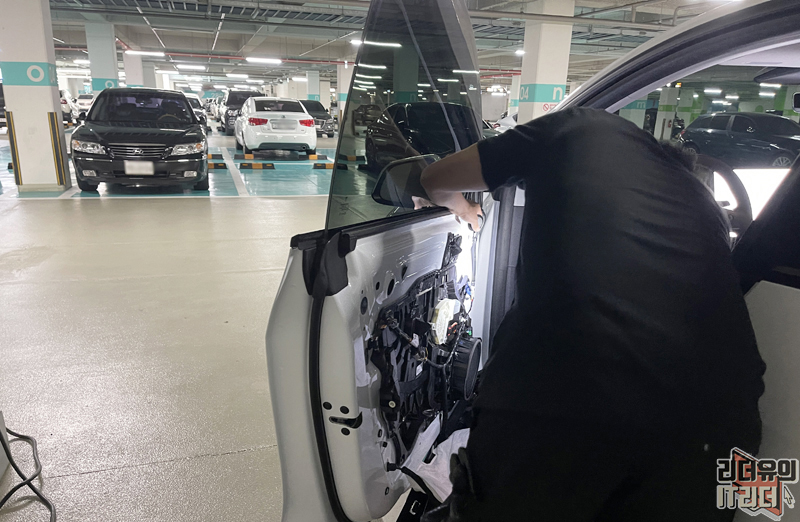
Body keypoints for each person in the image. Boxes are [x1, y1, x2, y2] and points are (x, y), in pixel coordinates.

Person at [419, 107, 766, 521]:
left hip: (570, 403)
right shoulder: (705, 206)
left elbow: (434, 180)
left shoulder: (579, 127)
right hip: (723, 427)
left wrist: (464, 209)